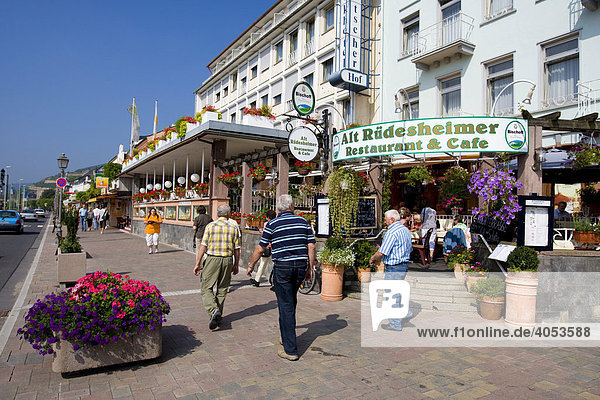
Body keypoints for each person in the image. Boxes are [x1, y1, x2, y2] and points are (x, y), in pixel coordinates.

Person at [246, 195, 316, 361]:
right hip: (299, 266)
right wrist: (310, 268)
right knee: (291, 301)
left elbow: (260, 248)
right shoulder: (303, 222)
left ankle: (290, 349)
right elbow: (311, 245)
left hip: (283, 267)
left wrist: (251, 266)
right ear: (291, 206)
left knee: (285, 305)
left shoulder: (272, 224)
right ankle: (286, 335)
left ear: (278, 208)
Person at [194, 205, 241, 331]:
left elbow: (203, 246)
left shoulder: (211, 226)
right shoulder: (233, 227)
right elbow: (237, 248)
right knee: (222, 288)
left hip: (212, 259)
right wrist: (236, 264)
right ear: (229, 214)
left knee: (206, 286)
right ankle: (217, 316)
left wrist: (197, 263)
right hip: (227, 259)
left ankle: (213, 310)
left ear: (217, 213)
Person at [369, 209, 413, 331]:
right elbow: (410, 249)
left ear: (392, 219)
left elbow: (382, 251)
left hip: (394, 266)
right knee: (397, 293)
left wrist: (373, 258)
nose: (385, 221)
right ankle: (405, 313)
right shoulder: (405, 230)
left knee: (392, 296)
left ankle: (395, 324)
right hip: (403, 265)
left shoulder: (392, 232)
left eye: (386, 219)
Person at [249, 209, 277, 287]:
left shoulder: (266, 224)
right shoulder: (277, 224)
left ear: (268, 217)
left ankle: (257, 280)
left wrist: (261, 231)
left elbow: (266, 234)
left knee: (263, 263)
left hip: (267, 246)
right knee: (276, 264)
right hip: (275, 246)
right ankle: (275, 281)